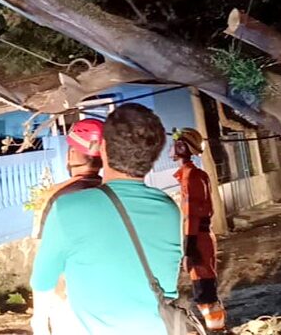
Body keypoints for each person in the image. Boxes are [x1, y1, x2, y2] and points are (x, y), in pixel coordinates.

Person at [31, 104, 182, 335]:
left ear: (103, 148)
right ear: (153, 156)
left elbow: (43, 283)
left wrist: (40, 325)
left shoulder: (67, 208)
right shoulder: (169, 209)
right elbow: (167, 286)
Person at [30, 119, 104, 335]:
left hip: (70, 303)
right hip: (110, 296)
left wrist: (40, 320)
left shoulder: (55, 197)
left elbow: (43, 259)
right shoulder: (112, 192)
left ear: (72, 154)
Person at [172, 127, 226, 332]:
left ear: (181, 146)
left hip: (198, 239)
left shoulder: (191, 177)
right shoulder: (194, 175)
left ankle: (217, 330)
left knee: (204, 292)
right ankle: (217, 328)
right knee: (205, 289)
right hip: (202, 238)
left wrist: (189, 250)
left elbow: (191, 214)